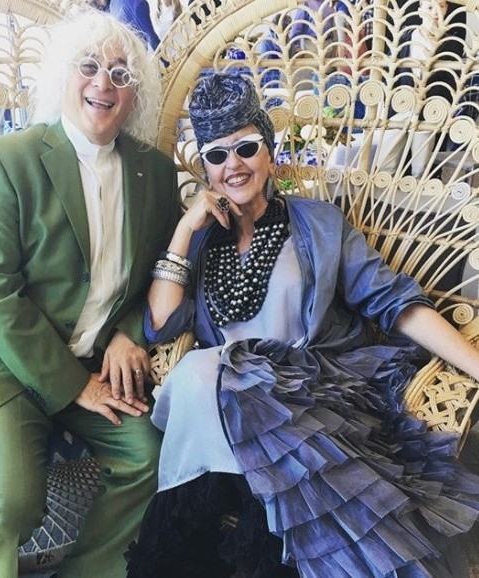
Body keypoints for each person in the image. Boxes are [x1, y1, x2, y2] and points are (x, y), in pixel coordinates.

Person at [125, 72, 479, 578]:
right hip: (224, 411)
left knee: (204, 376)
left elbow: (394, 303)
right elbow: (161, 326)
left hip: (308, 397)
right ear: (205, 169)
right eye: (217, 155)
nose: (233, 165)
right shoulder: (201, 239)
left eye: (246, 147)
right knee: (203, 375)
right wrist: (184, 230)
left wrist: (475, 364)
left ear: (268, 151)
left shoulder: (318, 224)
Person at [0, 9, 179, 578]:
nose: (103, 83)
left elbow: (157, 274)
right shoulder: (9, 159)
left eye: (121, 73)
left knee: (146, 457)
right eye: (88, 66)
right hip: (0, 361)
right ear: (63, 75)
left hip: (96, 359)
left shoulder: (155, 173)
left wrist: (127, 333)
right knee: (15, 501)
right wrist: (74, 387)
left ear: (134, 95)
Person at [374, 0, 466, 177]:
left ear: (447, 9)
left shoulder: (452, 42)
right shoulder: (405, 37)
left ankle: (417, 188)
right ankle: (383, 189)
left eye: (441, 6)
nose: (435, 12)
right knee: (386, 160)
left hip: (431, 110)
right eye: (430, 7)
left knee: (421, 166)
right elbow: (391, 73)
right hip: (401, 105)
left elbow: (451, 81)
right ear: (419, 10)